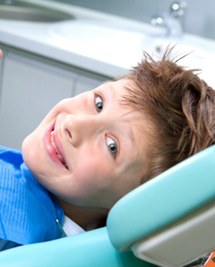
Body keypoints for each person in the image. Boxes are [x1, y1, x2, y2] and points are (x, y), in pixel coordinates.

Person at [0, 47, 215, 250]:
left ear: (131, 204)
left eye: (112, 146)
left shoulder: (15, 235)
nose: (74, 124)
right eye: (99, 104)